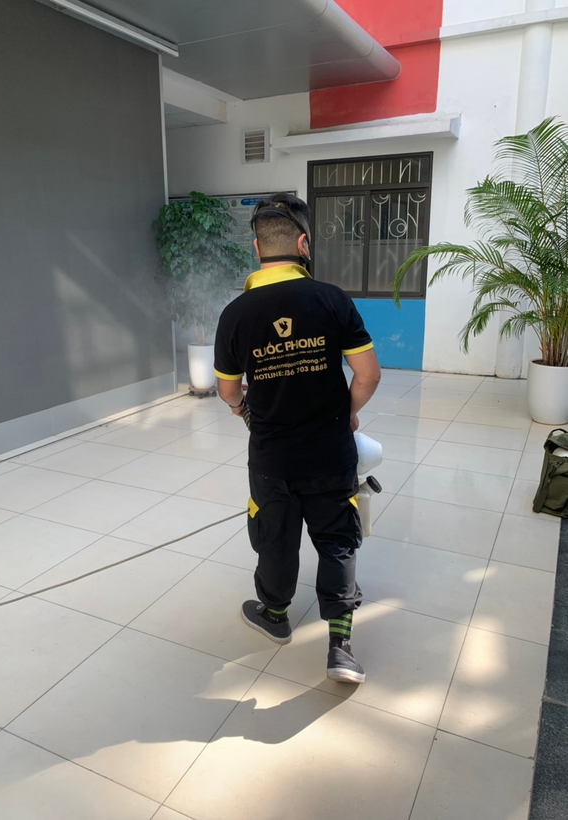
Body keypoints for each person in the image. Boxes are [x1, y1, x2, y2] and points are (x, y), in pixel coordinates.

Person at [214, 193, 380, 684]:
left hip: (273, 459)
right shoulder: (332, 299)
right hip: (330, 452)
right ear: (303, 244)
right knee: (337, 540)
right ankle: (340, 648)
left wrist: (244, 410)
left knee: (276, 538)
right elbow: (368, 374)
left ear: (256, 247)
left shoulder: (235, 314)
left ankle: (275, 615)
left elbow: (228, 390)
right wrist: (346, 415)